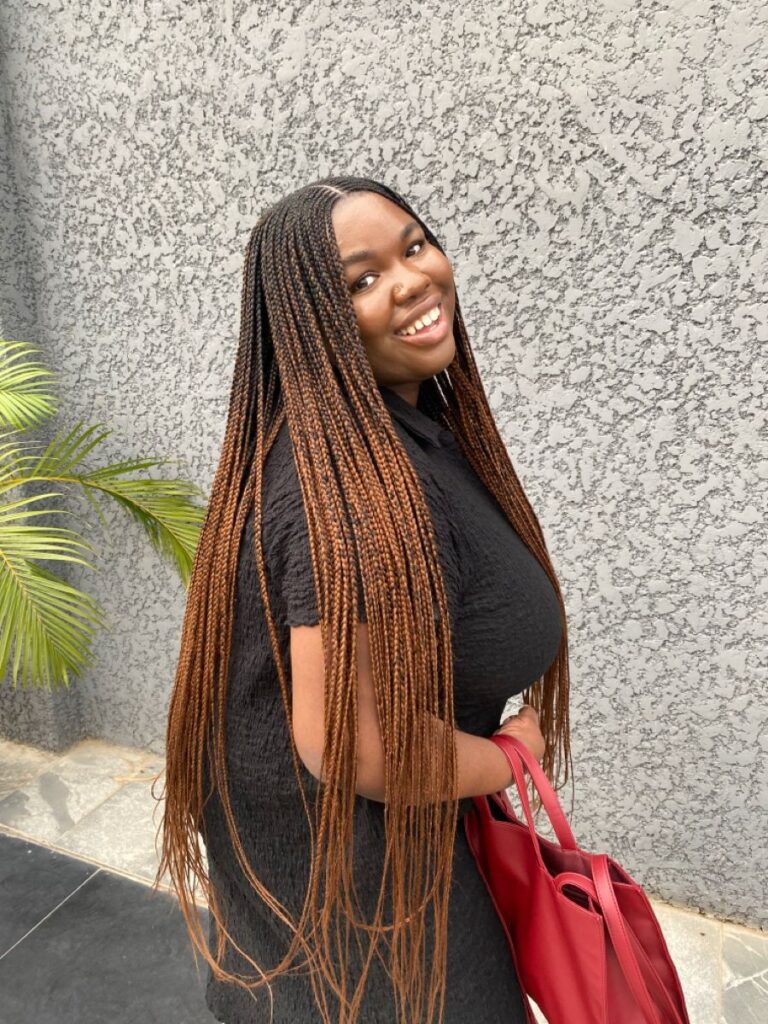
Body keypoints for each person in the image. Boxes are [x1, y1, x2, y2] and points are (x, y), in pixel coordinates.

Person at [155, 176, 574, 1024]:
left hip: (396, 845)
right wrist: (511, 757)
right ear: (312, 323)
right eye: (363, 279)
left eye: (414, 247)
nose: (412, 280)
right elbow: (356, 748)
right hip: (349, 885)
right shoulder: (342, 499)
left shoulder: (398, 433)